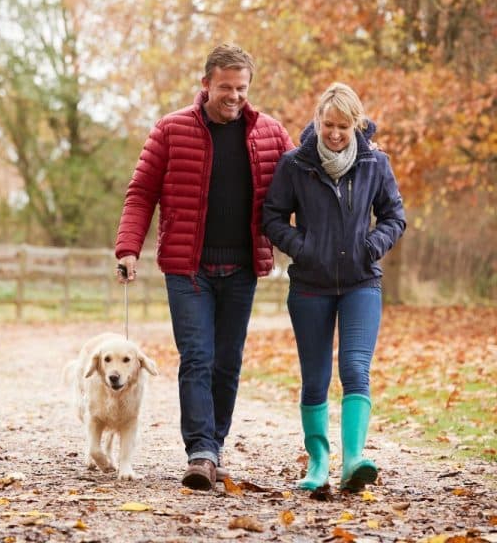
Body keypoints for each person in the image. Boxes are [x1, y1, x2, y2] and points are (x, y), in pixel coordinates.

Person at [115, 43, 294, 490]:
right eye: (225, 88)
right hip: (187, 268)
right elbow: (141, 193)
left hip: (242, 269)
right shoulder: (171, 130)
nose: (234, 96)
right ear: (205, 84)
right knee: (197, 356)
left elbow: (302, 184)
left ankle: (213, 447)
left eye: (242, 88)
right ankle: (200, 450)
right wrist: (128, 248)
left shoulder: (270, 134)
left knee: (227, 362)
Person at [262, 82, 406, 492]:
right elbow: (272, 218)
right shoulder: (295, 165)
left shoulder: (375, 164)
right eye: (329, 125)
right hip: (310, 286)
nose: (336, 133)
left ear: (356, 124)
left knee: (356, 369)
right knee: (315, 377)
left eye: (344, 126)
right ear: (318, 122)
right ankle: (319, 461)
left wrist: (371, 246)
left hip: (361, 282)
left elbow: (394, 216)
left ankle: (354, 459)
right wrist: (302, 249)